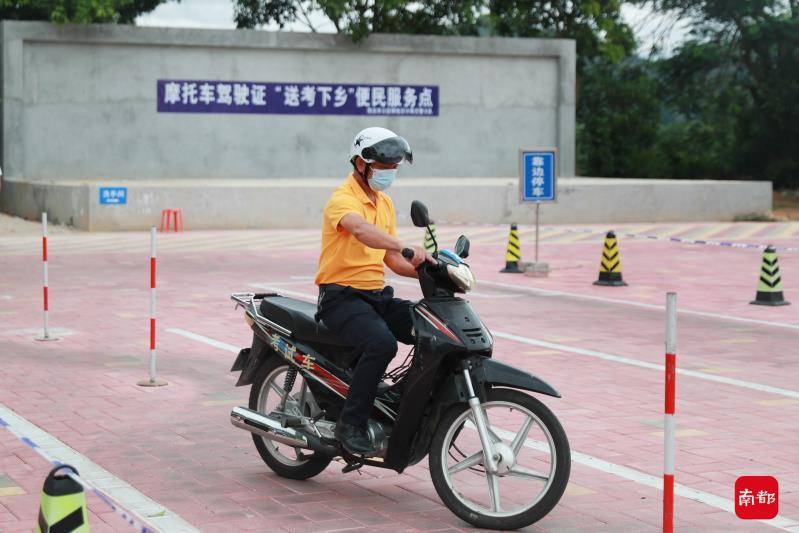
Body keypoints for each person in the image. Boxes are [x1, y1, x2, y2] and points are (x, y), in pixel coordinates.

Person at [315, 126, 434, 455]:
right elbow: (362, 232)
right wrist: (404, 245)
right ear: (360, 163)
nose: (389, 173)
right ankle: (350, 424)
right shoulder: (343, 199)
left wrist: (430, 270)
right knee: (381, 343)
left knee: (428, 326)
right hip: (340, 296)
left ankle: (398, 397)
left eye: (393, 168)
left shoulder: (383, 203)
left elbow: (393, 261)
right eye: (383, 167)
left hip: (375, 295)